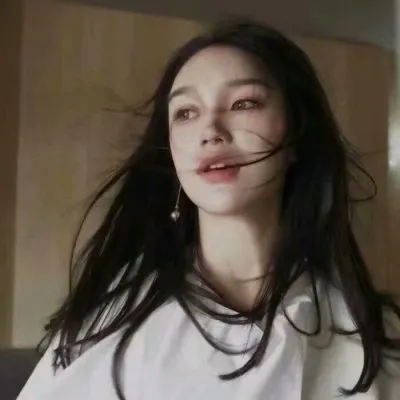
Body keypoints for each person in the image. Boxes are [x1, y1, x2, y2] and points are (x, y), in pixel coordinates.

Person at [18, 19, 400, 400]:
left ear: (297, 133)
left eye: (244, 103)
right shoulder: (110, 326)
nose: (211, 130)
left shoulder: (370, 334)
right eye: (185, 112)